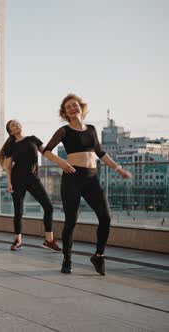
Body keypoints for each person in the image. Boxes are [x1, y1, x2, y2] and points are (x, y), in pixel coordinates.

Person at [43, 93, 131, 275]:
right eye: (68, 107)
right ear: (65, 113)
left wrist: (118, 169)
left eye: (74, 105)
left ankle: (98, 256)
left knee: (105, 217)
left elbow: (100, 152)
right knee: (71, 221)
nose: (72, 108)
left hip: (92, 178)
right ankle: (67, 259)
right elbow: (46, 150)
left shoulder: (91, 129)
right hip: (72, 177)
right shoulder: (64, 131)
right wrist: (62, 163)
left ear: (81, 107)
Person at [0, 119, 60, 252]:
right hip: (17, 180)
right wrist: (9, 182)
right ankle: (17, 240)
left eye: (16, 123)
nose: (16, 125)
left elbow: (46, 153)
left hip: (33, 179)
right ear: (11, 131)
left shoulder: (33, 139)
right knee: (18, 211)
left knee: (48, 206)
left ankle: (49, 240)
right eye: (12, 125)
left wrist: (61, 162)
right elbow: (8, 166)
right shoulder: (11, 146)